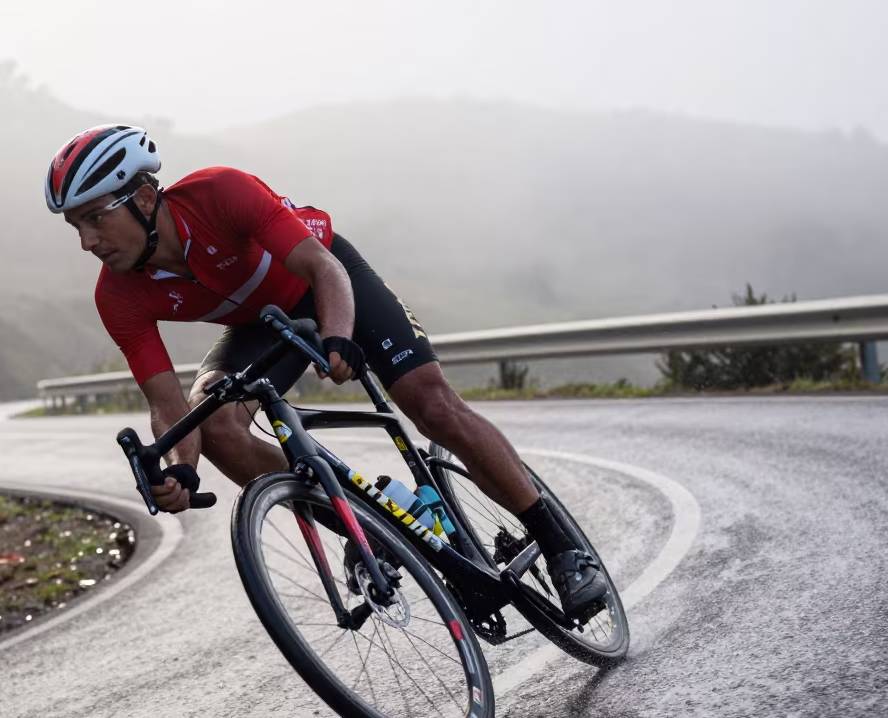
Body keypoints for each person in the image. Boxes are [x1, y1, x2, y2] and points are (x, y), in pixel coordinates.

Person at [45, 124, 607, 618]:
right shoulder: (117, 295)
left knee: (431, 404)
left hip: (330, 281)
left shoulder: (219, 192)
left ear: (144, 196)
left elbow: (322, 266)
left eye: (96, 218)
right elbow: (167, 406)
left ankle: (563, 548)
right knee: (212, 420)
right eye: (76, 227)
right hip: (263, 321)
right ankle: (370, 527)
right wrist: (181, 470)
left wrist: (338, 334)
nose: (87, 242)